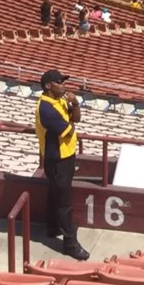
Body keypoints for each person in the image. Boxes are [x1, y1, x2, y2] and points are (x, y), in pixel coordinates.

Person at [35, 69, 88, 260]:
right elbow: (68, 129)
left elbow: (77, 118)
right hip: (58, 159)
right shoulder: (46, 108)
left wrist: (74, 103)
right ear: (48, 86)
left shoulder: (60, 100)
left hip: (65, 156)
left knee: (54, 193)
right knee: (64, 202)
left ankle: (52, 227)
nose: (63, 85)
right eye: (59, 82)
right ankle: (70, 244)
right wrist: (72, 121)